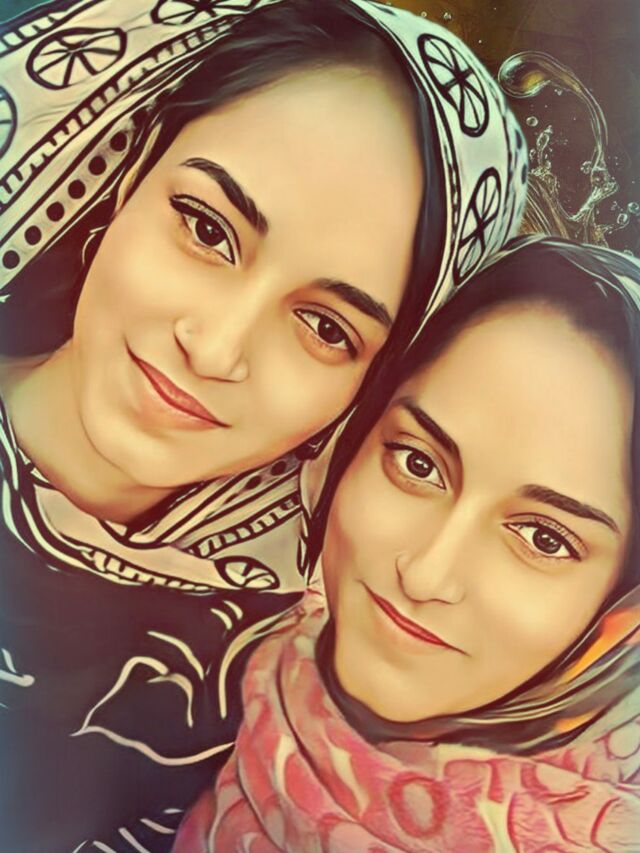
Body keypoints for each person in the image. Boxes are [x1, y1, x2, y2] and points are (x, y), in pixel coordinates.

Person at [0, 0, 527, 849]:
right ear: (127, 176)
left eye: (325, 327)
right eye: (207, 228)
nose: (215, 348)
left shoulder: (288, 665)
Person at [176, 237, 640, 852]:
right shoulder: (242, 644)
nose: (425, 574)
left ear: (622, 616)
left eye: (544, 538)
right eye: (418, 463)